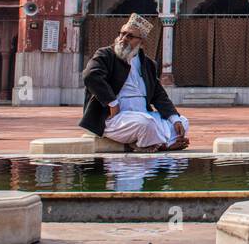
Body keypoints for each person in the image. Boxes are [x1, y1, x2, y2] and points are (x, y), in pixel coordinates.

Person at [79, 14, 190, 152]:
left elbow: (158, 94)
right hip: (114, 117)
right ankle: (162, 145)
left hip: (142, 114)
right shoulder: (106, 55)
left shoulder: (148, 64)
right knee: (146, 124)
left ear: (142, 42)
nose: (123, 39)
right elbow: (90, 75)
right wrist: (111, 102)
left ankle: (153, 143)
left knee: (182, 122)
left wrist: (174, 118)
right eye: (122, 34)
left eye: (130, 36)